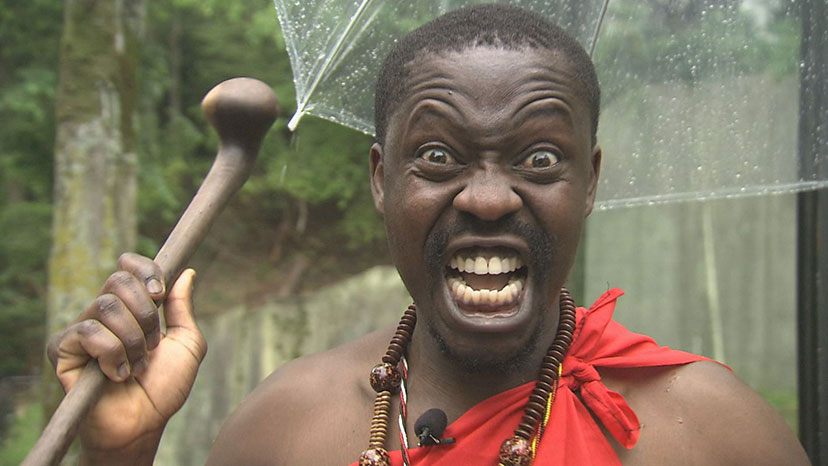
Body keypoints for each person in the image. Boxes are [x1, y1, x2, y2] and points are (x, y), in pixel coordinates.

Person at [47, 4, 810, 465]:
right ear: (383, 179)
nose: (487, 199)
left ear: (590, 181)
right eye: (439, 157)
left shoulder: (711, 431)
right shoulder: (285, 428)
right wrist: (118, 454)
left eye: (540, 159)